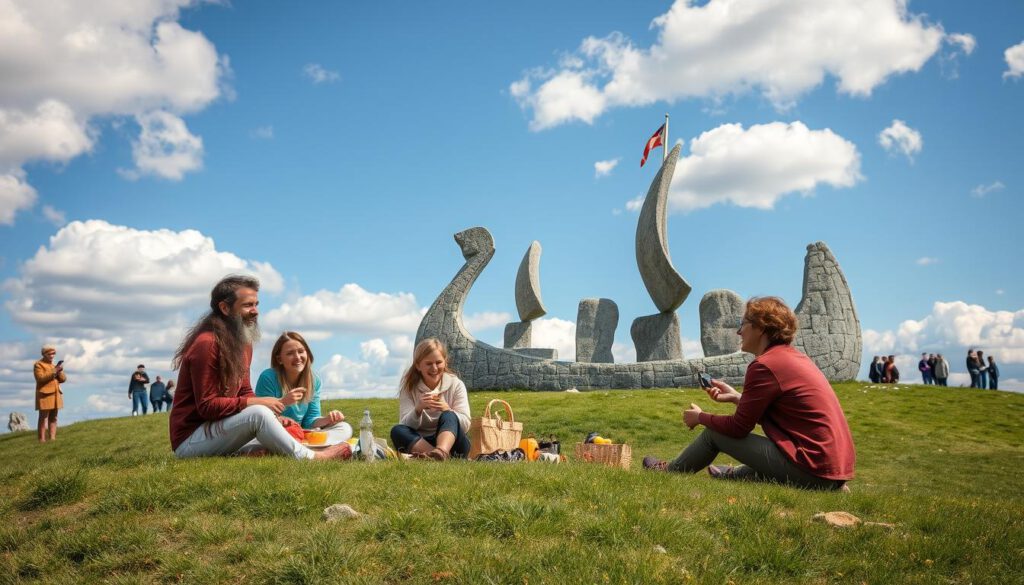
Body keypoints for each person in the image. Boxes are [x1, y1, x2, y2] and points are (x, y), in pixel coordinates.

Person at [642, 297, 855, 491]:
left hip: (812, 470)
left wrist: (700, 418)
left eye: (743, 323)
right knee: (764, 467)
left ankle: (670, 471)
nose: (739, 332)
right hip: (831, 471)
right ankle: (733, 474)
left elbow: (738, 428)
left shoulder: (764, 365)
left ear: (760, 327)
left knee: (713, 435)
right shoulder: (795, 359)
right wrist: (737, 398)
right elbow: (786, 415)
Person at [168, 275, 350, 461]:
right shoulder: (207, 344)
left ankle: (259, 450)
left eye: (256, 304)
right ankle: (313, 458)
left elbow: (245, 390)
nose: (255, 311)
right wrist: (260, 403)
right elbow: (207, 406)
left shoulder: (244, 343)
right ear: (225, 308)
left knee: (268, 417)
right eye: (248, 305)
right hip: (191, 440)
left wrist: (275, 418)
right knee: (259, 413)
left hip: (221, 429)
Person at [255, 331, 352, 438]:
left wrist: (328, 419)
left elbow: (310, 420)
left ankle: (305, 444)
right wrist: (283, 402)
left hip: (300, 433)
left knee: (344, 427)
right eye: (290, 353)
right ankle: (307, 445)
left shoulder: (314, 381)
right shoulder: (268, 377)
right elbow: (262, 417)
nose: (297, 357)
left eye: (301, 351)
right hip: (276, 432)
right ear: (279, 359)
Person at [390, 338, 471, 460]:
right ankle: (435, 456)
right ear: (418, 366)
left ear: (445, 362)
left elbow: (466, 425)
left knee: (449, 415)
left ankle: (441, 451)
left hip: (454, 444)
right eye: (428, 364)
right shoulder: (409, 389)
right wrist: (417, 410)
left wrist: (447, 409)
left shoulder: (456, 384)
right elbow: (405, 425)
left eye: (438, 362)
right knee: (397, 430)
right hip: (421, 442)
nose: (434, 368)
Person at [33, 344, 67, 443]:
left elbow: (63, 379)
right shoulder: (38, 365)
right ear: (44, 354)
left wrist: (59, 371)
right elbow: (40, 378)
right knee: (43, 417)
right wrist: (54, 371)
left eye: (53, 354)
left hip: (56, 394)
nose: (52, 356)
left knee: (54, 417)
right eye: (49, 354)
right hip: (44, 395)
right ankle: (41, 440)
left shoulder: (53, 365)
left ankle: (52, 439)